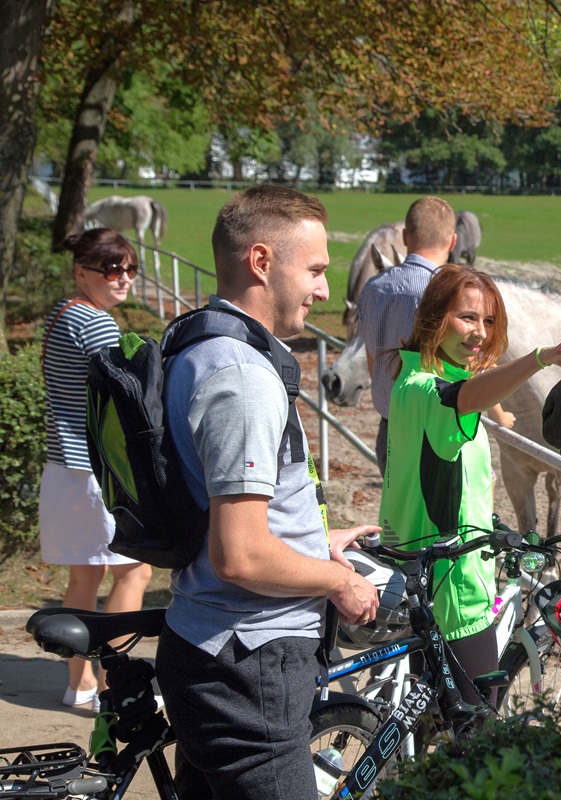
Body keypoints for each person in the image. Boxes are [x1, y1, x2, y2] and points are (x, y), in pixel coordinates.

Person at [155, 185, 380, 800]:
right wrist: (339, 580)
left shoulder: (198, 344)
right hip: (249, 663)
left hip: (215, 650)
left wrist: (312, 537)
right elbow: (241, 555)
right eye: (314, 270)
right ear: (261, 262)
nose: (324, 290)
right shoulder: (243, 377)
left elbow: (220, 505)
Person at [378, 264, 561, 704]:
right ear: (433, 317)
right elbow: (464, 397)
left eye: (489, 321)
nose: (479, 332)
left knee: (429, 720)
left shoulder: (407, 378)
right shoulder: (433, 392)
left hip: (416, 577)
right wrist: (541, 360)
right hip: (454, 590)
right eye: (467, 318)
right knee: (478, 730)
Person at [39, 228, 153, 713]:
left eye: (129, 268)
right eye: (112, 269)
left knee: (84, 577)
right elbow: (126, 403)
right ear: (81, 271)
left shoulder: (60, 314)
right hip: (94, 472)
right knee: (136, 572)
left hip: (62, 468)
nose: (123, 278)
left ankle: (80, 683)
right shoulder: (99, 325)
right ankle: (114, 685)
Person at [357, 196, 457, 475]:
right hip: (435, 434)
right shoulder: (446, 293)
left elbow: (372, 362)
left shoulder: (371, 288)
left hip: (388, 427)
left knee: (396, 516)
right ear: (453, 241)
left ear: (404, 237)